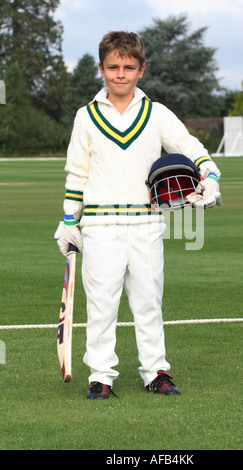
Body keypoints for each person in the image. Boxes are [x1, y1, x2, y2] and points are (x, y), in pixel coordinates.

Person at [54, 31, 221, 399]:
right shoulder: (86, 117)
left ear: (141, 70)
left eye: (129, 67)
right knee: (101, 306)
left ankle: (156, 371)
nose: (120, 74)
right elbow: (77, 173)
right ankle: (101, 376)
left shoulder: (156, 113)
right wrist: (68, 221)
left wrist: (211, 176)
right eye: (113, 67)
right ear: (101, 69)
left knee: (148, 302)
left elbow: (191, 148)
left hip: (146, 224)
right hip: (99, 225)